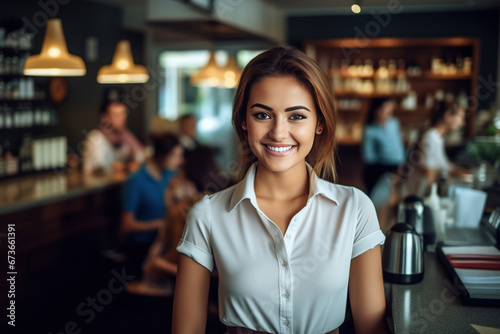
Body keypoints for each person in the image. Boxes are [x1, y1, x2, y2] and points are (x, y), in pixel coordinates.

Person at [172, 47, 388, 334]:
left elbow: (371, 328)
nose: (278, 132)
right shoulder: (208, 215)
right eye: (263, 115)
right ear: (243, 122)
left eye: (296, 116)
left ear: (319, 123)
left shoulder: (355, 209)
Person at [121, 133, 184, 278]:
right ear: (162, 155)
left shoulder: (173, 175)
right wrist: (159, 224)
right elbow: (127, 225)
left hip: (166, 241)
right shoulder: (136, 180)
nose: (180, 161)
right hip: (143, 245)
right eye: (175, 155)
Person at [400, 101, 467, 198]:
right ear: (448, 116)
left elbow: (442, 166)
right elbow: (429, 173)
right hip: (415, 196)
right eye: (461, 117)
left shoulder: (437, 137)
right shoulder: (431, 138)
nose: (462, 123)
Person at [83, 98, 145, 176]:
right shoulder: (95, 138)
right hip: (98, 186)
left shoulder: (123, 134)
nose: (122, 119)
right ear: (104, 118)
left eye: (123, 114)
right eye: (117, 115)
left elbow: (141, 156)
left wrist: (137, 161)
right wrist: (127, 167)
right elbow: (103, 169)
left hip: (117, 185)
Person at [362, 98, 405, 196]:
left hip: (398, 167)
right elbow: (369, 158)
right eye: (385, 108)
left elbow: (398, 145)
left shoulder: (394, 123)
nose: (388, 111)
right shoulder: (370, 130)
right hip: (380, 171)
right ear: (376, 110)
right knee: (378, 200)